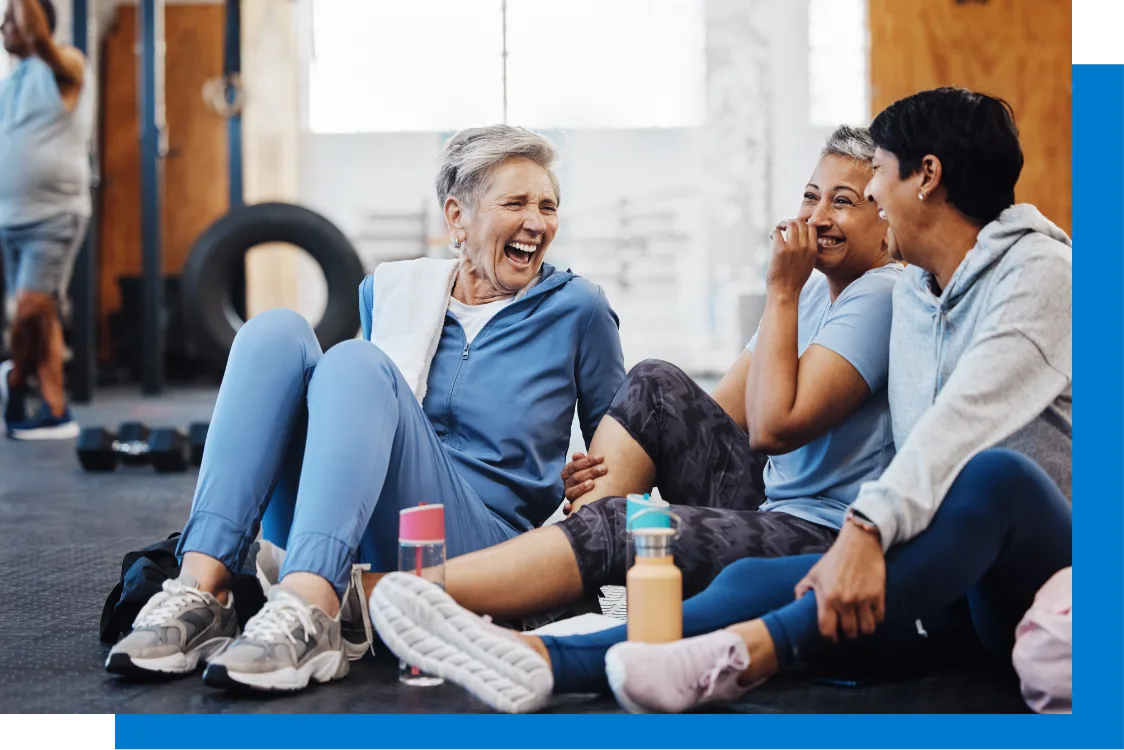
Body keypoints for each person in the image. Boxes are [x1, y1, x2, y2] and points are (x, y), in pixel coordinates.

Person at [367, 87, 1073, 715]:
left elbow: (891, 430)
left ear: (925, 178)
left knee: (988, 477)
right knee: (666, 419)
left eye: (866, 187)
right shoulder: (923, 290)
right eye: (813, 194)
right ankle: (551, 637)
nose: (834, 210)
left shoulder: (1001, 276)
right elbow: (719, 415)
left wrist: (863, 530)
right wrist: (619, 462)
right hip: (912, 546)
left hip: (935, 537)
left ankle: (419, 594)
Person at [104, 124, 627, 693]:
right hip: (360, 522)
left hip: (484, 544)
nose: (537, 222)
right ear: (457, 216)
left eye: (548, 206)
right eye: (517, 203)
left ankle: (311, 608)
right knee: (274, 331)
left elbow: (624, 452)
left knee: (355, 362)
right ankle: (202, 591)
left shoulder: (579, 308)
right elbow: (378, 426)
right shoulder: (390, 292)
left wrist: (589, 488)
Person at [356, 124, 904, 626]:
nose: (817, 218)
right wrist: (603, 467)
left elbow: (771, 429)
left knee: (622, 527)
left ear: (886, 222)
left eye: (845, 202)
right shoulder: (809, 292)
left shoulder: (876, 292)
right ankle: (567, 556)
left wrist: (780, 289)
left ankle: (395, 593)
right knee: (656, 382)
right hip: (768, 499)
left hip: (825, 527)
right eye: (811, 197)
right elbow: (713, 418)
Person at [0, 0, 91, 440]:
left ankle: (15, 384)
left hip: (54, 216)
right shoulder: (9, 82)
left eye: (10, 17)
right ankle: (56, 410)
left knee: (29, 309)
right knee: (43, 315)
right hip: (10, 219)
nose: (2, 26)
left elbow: (37, 37)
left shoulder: (67, 64)